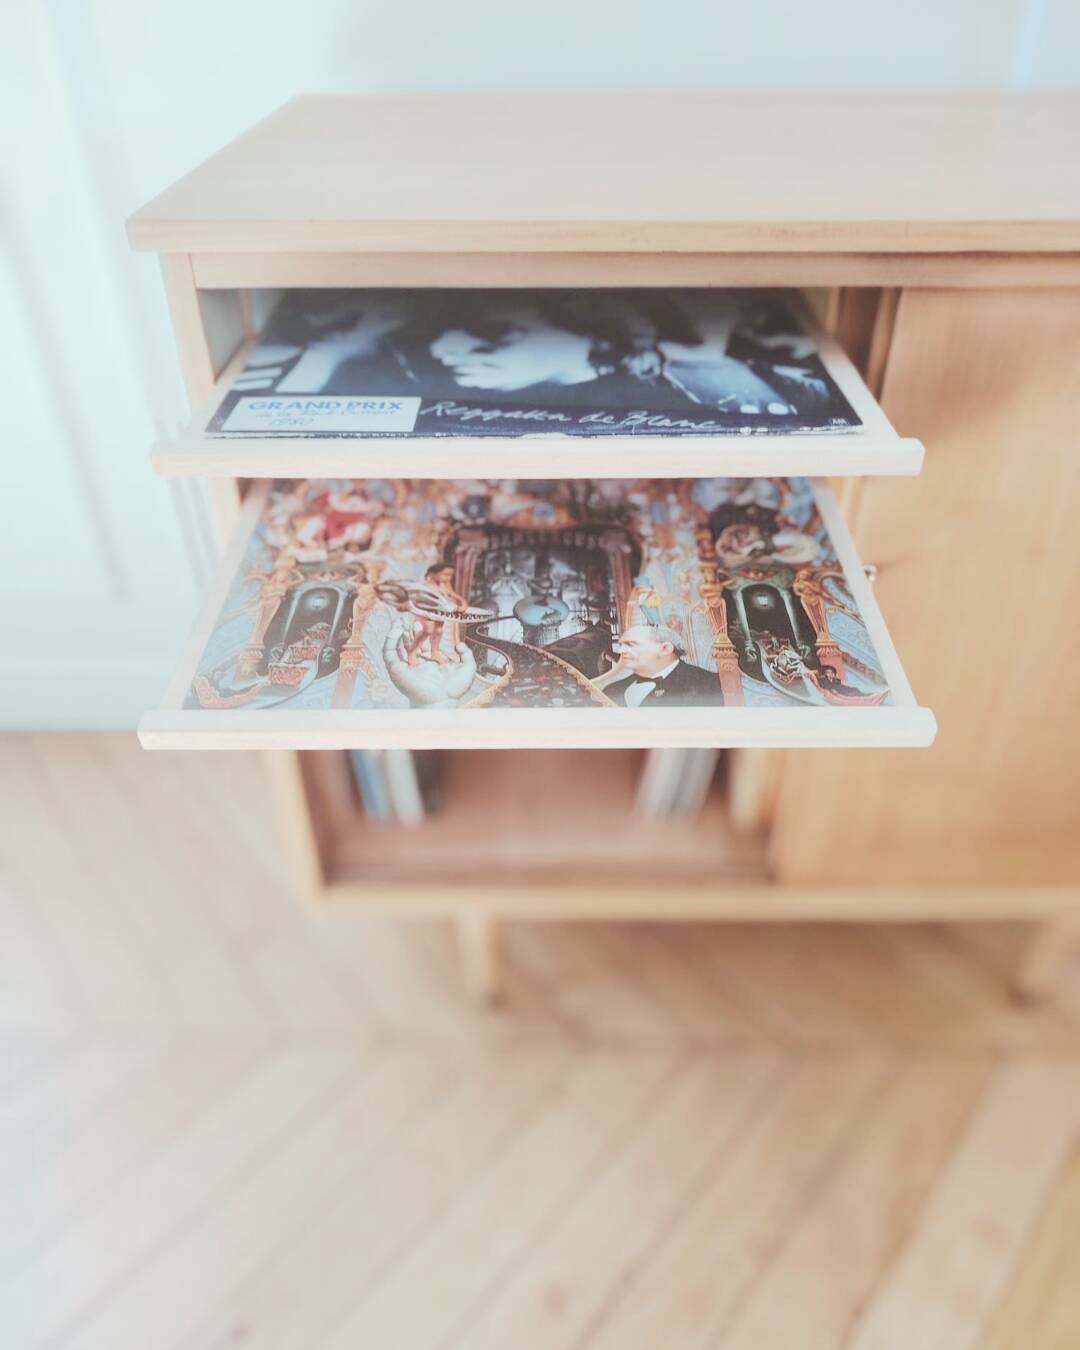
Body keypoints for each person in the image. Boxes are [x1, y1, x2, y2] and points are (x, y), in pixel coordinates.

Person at [592, 624, 721, 707]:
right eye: (621, 645)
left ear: (665, 648)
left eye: (631, 644)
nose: (620, 651)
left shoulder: (707, 683)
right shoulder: (612, 690)